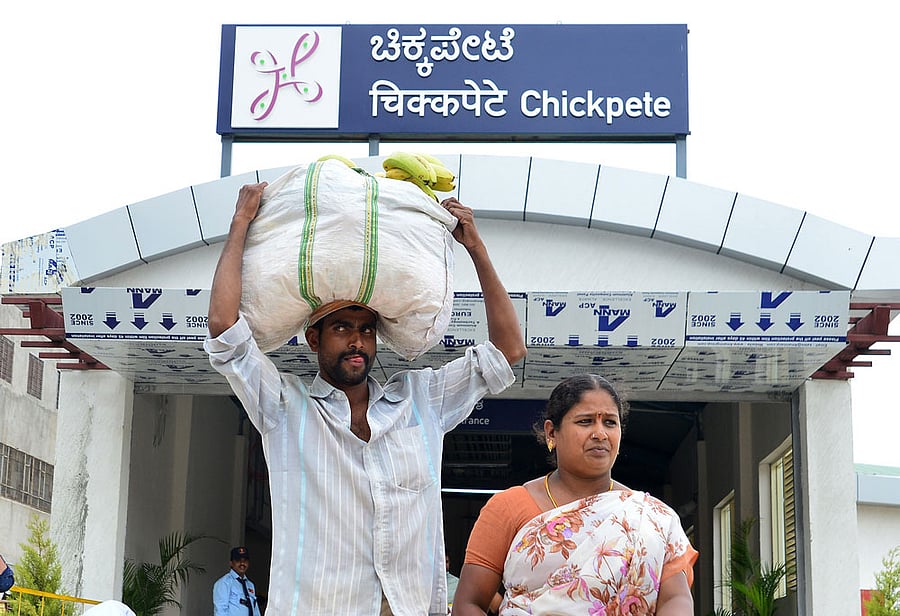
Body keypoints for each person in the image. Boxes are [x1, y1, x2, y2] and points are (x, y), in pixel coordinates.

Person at [205, 183, 526, 615]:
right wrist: (240, 222)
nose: (358, 340)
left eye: (367, 329)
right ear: (314, 338)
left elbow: (508, 351)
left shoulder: (420, 400)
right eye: (342, 328)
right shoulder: (283, 406)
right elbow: (225, 330)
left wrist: (476, 249)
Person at [453, 374, 698, 615]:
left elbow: (676, 598)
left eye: (610, 422)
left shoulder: (652, 517)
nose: (600, 433)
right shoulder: (509, 506)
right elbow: (469, 604)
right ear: (551, 433)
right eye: (585, 421)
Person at [213, 547, 262, 616]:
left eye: (245, 560)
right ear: (231, 563)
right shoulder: (224, 583)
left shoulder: (250, 585)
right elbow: (220, 611)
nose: (242, 563)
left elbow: (255, 610)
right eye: (238, 560)